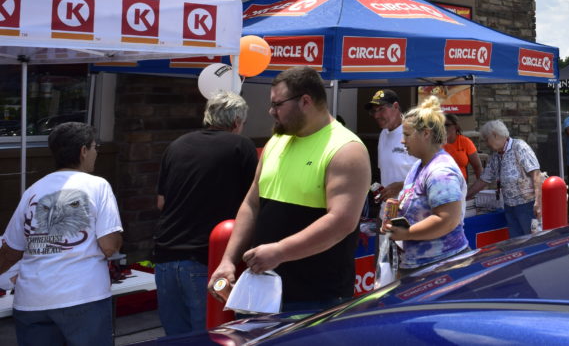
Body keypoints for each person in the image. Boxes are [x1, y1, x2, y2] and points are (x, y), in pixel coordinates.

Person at [209, 66, 371, 313]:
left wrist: (280, 251)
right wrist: (228, 261)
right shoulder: (277, 140)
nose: (271, 111)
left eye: (277, 104)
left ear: (305, 101)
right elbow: (252, 204)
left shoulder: (346, 149)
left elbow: (342, 222)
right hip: (263, 291)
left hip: (316, 297)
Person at [0, 122, 123, 346]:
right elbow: (109, 245)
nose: (96, 152)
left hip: (32, 301)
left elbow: (9, 252)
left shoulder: (32, 191)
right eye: (95, 147)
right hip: (82, 296)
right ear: (83, 150)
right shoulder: (98, 185)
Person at [154, 91, 257, 336]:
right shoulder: (241, 146)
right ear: (236, 122)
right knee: (213, 338)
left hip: (165, 258)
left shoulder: (176, 145)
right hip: (206, 259)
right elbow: (253, 203)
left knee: (176, 339)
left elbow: (161, 203)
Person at [382, 96, 468, 275]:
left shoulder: (441, 171)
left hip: (442, 268)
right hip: (423, 266)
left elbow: (447, 220)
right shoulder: (419, 166)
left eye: (406, 135)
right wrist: (395, 214)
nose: (402, 141)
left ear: (426, 134)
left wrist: (407, 233)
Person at [467, 121, 543, 237]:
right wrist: (465, 196)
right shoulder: (496, 156)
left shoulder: (519, 146)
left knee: (532, 239)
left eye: (487, 139)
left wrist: (538, 202)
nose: (486, 144)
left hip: (527, 205)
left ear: (495, 135)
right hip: (509, 206)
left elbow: (535, 173)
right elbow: (483, 180)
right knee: (517, 241)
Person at [367, 89, 419, 202]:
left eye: (381, 109)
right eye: (374, 111)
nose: (376, 115)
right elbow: (386, 173)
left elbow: (433, 175)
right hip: (388, 211)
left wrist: (401, 185)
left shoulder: (414, 133)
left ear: (395, 106)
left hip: (411, 213)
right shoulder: (383, 134)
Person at [443, 116, 483, 183]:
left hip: (460, 185)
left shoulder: (465, 142)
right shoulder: (435, 143)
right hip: (439, 185)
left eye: (447, 125)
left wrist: (479, 187)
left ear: (456, 126)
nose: (443, 128)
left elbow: (477, 166)